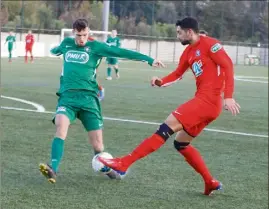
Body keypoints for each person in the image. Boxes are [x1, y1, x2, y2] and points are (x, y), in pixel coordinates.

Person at [99, 17, 241, 196]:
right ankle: (209, 181)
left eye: (179, 32)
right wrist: (160, 81)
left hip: (209, 101)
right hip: (207, 104)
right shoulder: (189, 52)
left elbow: (227, 65)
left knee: (165, 128)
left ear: (190, 32)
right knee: (181, 143)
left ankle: (124, 163)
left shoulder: (211, 44)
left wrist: (228, 96)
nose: (178, 36)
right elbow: (177, 74)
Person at [38, 18, 164, 183]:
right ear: (73, 33)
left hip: (89, 100)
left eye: (84, 35)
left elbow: (122, 53)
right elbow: (56, 50)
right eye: (78, 35)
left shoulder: (96, 47)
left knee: (98, 147)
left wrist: (149, 60)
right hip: (67, 98)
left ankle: (111, 171)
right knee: (61, 127)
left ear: (88, 32)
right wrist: (54, 50)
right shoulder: (67, 43)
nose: (81, 39)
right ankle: (53, 169)